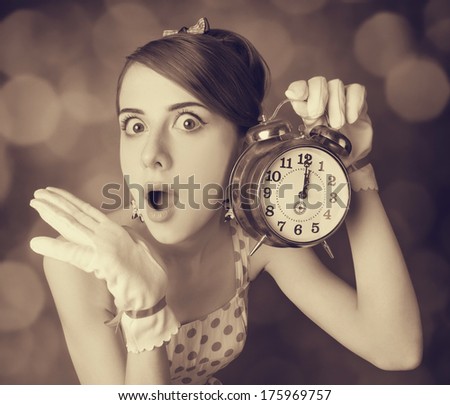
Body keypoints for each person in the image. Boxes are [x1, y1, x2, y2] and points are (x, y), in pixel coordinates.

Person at [29, 18, 423, 385]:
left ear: (245, 143)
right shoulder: (82, 265)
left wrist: (349, 165)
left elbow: (395, 347)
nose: (151, 154)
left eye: (187, 122)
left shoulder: (252, 239)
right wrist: (145, 309)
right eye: (134, 126)